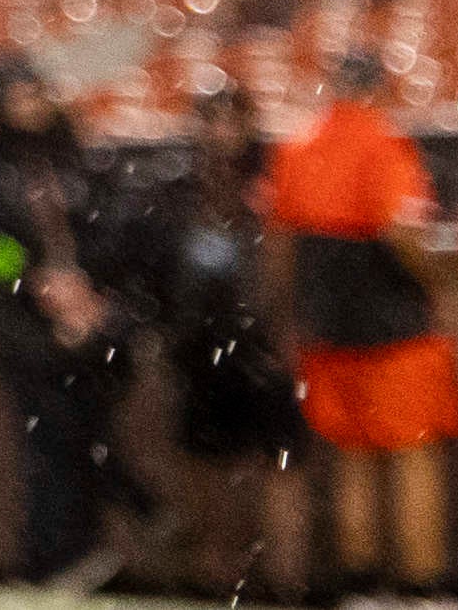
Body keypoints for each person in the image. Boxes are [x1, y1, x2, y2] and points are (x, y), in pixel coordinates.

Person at [269, 56, 458, 595]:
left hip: (328, 325)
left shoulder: (297, 145)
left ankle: (361, 587)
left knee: (352, 459)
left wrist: (289, 316)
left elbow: (281, 244)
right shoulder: (385, 141)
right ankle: (422, 590)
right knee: (413, 455)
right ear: (379, 90)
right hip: (393, 324)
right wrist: (438, 284)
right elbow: (401, 228)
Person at [0, 63, 137, 593]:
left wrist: (92, 290)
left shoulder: (78, 160)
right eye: (17, 98)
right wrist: (35, 285)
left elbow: (113, 229)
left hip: (95, 322)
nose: (30, 107)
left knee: (92, 435)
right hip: (26, 333)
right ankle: (52, 556)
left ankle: (96, 545)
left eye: (35, 95)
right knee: (47, 443)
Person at [140, 88, 315, 597]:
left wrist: (288, 334)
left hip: (268, 348)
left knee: (284, 465)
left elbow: (293, 268)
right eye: (213, 122)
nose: (223, 134)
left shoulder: (277, 184)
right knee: (207, 469)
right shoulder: (177, 193)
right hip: (201, 349)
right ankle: (216, 578)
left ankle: (287, 583)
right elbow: (155, 269)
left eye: (232, 122)